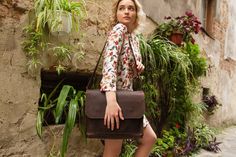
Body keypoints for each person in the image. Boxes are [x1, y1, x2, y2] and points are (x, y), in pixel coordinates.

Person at [100, 0, 157, 156]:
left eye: (130, 8)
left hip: (127, 97)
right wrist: (111, 102)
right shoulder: (118, 30)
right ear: (116, 14)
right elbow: (109, 66)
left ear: (136, 14)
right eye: (122, 8)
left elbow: (126, 69)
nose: (126, 11)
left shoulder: (133, 38)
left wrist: (137, 68)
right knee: (113, 150)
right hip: (116, 99)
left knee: (149, 139)